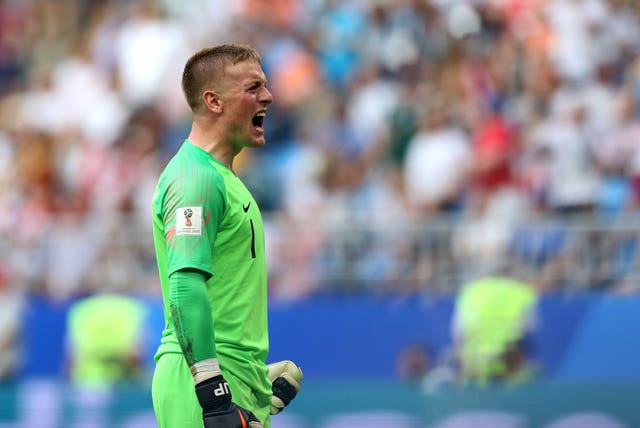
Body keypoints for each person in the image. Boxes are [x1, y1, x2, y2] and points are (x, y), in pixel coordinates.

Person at [150, 44, 302, 428]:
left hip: (228, 376)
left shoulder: (220, 178)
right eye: (253, 88)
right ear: (214, 101)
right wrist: (212, 391)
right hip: (204, 386)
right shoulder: (194, 180)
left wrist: (252, 372)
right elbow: (184, 287)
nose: (268, 96)